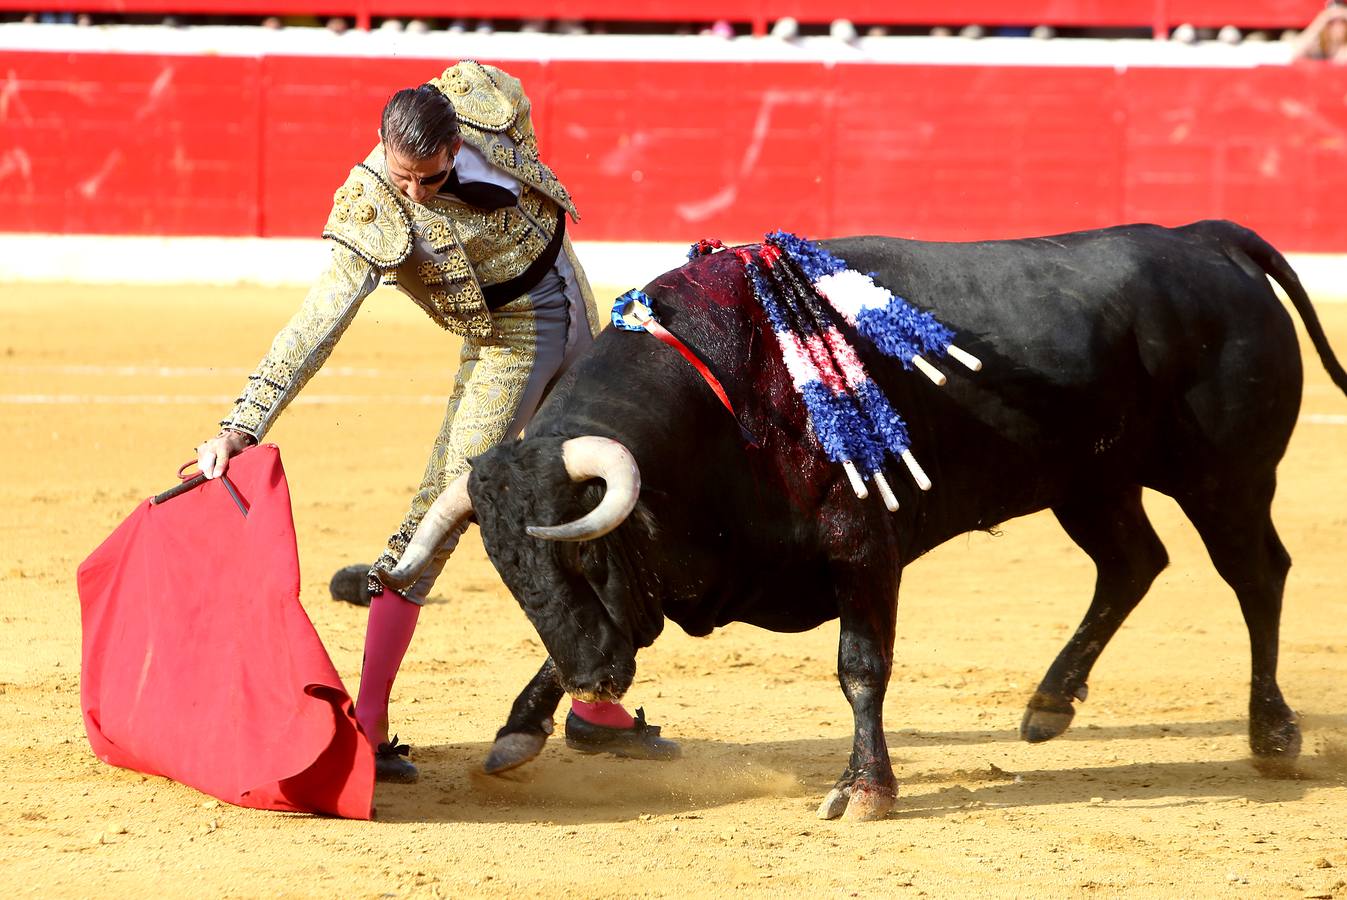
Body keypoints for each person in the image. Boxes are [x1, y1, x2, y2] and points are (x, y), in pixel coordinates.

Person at [195, 61, 678, 784]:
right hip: (507, 342)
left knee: (606, 497)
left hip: (576, 295)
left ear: (456, 144)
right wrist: (243, 425)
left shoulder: (488, 97)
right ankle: (370, 723)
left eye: (429, 176)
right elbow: (317, 322)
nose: (415, 192)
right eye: (402, 177)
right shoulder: (371, 206)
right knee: (440, 513)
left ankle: (593, 705)